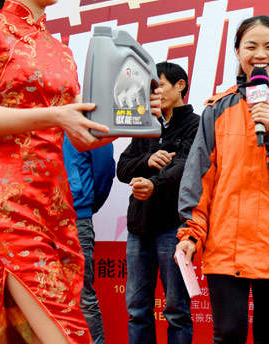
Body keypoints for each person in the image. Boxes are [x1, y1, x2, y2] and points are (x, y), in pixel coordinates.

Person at [0, 0, 160, 343]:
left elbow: (82, 135)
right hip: (7, 200)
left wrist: (135, 117)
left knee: (43, 330)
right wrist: (55, 116)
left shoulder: (60, 50)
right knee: (63, 333)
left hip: (57, 206)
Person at [175, 15, 269, 344]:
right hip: (225, 245)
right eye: (251, 46)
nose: (260, 54)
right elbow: (199, 178)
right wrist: (191, 233)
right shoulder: (216, 109)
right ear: (238, 53)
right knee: (228, 334)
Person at [116, 61, 198, 344]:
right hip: (139, 228)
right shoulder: (147, 124)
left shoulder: (196, 125)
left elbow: (187, 167)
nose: (154, 93)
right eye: (151, 89)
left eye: (160, 85)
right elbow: (123, 168)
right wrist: (147, 161)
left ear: (180, 85)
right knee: (137, 310)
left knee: (176, 310)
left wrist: (155, 183)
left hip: (174, 228)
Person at [63, 136, 115, 344]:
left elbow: (104, 170)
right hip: (38, 220)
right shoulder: (35, 121)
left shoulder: (90, 124)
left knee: (83, 296)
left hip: (76, 218)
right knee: (42, 294)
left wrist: (85, 204)